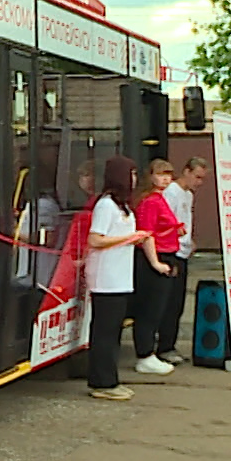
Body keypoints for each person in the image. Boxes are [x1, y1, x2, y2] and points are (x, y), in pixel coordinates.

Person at [84, 156, 151, 401]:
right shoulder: (105, 206)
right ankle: (102, 381)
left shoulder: (123, 206)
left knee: (113, 331)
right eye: (131, 174)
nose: (134, 179)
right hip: (105, 276)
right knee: (104, 330)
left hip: (121, 275)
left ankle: (109, 377)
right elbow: (95, 239)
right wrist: (128, 239)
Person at [129, 158, 184, 375]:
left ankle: (148, 353)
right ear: (150, 176)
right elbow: (146, 234)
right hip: (156, 257)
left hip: (166, 254)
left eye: (168, 174)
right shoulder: (151, 201)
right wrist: (156, 263)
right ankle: (145, 354)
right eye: (161, 174)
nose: (165, 179)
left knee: (158, 308)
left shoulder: (158, 199)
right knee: (150, 310)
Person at [155, 156, 207, 364]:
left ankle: (169, 342)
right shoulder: (172, 193)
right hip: (171, 251)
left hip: (183, 250)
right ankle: (164, 345)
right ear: (186, 172)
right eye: (196, 177)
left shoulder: (188, 195)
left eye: (202, 178)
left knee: (178, 302)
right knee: (170, 302)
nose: (199, 182)